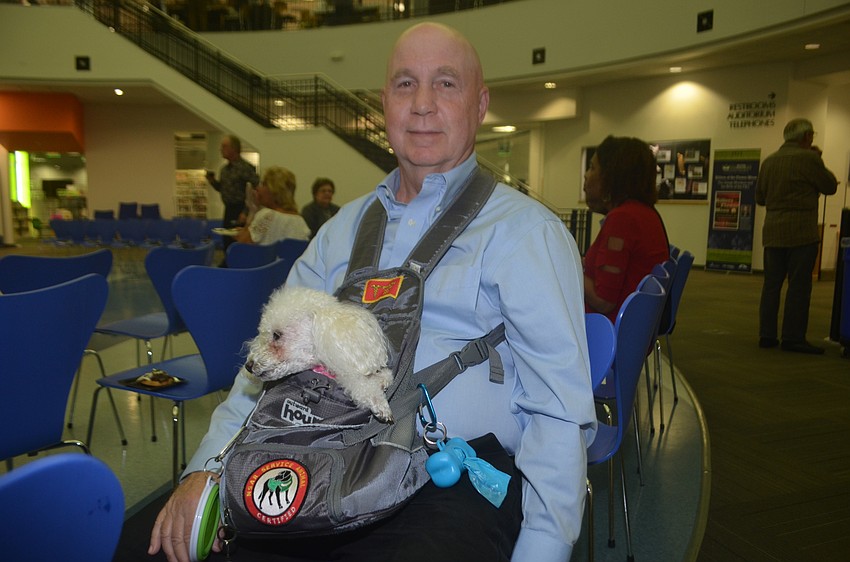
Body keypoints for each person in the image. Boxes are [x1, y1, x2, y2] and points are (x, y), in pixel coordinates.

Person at [148, 22, 596, 562]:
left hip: (448, 480)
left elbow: (558, 412)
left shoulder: (527, 233)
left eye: (446, 84)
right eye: (406, 84)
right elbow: (269, 362)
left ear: (480, 105)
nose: (423, 104)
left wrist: (544, 549)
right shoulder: (341, 229)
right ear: (383, 104)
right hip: (321, 459)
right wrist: (209, 469)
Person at [756, 118, 837, 354]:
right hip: (801, 232)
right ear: (807, 137)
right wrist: (819, 159)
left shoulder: (769, 161)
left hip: (772, 232)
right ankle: (792, 337)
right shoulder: (810, 159)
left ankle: (767, 335)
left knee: (771, 285)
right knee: (799, 287)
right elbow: (830, 186)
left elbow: (760, 198)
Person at [583, 135, 670, 323]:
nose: (586, 175)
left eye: (592, 168)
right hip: (633, 333)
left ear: (612, 175)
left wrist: (567, 268)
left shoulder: (623, 220)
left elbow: (603, 299)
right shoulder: (644, 214)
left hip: (606, 333)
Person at [206, 134, 260, 251]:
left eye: (224, 146)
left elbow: (256, 188)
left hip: (241, 210)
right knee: (227, 241)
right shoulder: (224, 170)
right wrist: (212, 181)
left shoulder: (245, 168)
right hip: (228, 209)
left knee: (239, 243)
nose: (221, 149)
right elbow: (222, 189)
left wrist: (246, 212)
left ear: (234, 149)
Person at [234, 166, 311, 245]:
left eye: (263, 184)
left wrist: (252, 211)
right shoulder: (300, 221)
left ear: (274, 191)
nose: (258, 188)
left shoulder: (267, 215)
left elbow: (243, 244)